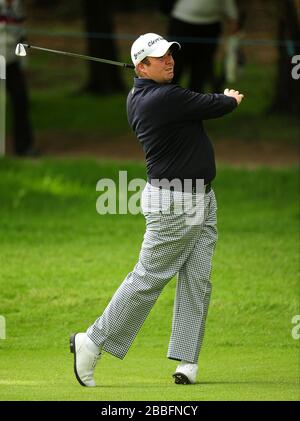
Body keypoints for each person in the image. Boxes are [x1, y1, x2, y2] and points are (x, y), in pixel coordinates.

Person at [70, 33, 244, 387]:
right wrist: (230, 99)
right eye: (159, 58)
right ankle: (92, 340)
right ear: (141, 66)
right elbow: (216, 105)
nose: (169, 61)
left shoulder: (144, 94)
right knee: (149, 277)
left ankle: (186, 360)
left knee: (198, 279)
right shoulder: (163, 99)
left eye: (170, 55)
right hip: (177, 203)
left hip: (202, 198)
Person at [165, 0, 239, 92]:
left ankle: (195, 103)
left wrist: (233, 16)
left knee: (200, 70)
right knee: (174, 66)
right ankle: (167, 99)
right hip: (181, 24)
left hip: (210, 27)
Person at [0, 0, 36, 156]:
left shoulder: (17, 7)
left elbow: (22, 37)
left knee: (21, 100)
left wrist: (23, 63)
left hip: (12, 63)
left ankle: (24, 148)